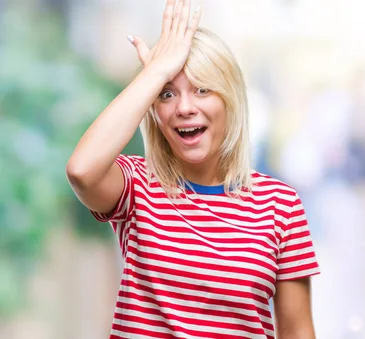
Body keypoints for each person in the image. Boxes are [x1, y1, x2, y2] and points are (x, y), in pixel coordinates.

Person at [65, 1, 320, 338]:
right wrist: (154, 73)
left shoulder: (280, 204)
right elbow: (82, 171)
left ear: (230, 99)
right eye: (167, 95)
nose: (184, 108)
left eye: (202, 90)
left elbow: (298, 332)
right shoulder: (137, 186)